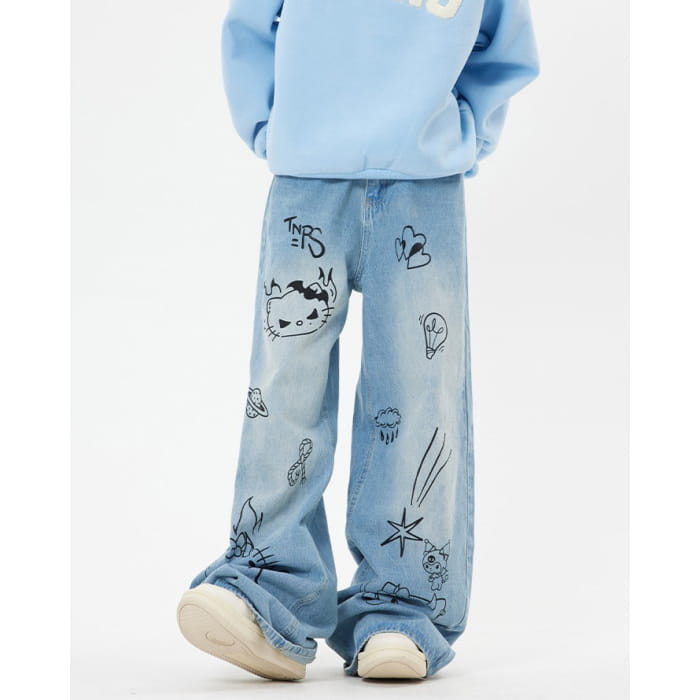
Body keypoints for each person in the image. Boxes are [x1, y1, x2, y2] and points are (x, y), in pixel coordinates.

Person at [177, 0, 538, 681]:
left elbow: (504, 40)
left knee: (418, 396)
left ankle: (400, 606)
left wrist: (464, 133)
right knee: (285, 384)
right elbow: (249, 24)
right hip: (306, 179)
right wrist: (272, 129)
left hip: (423, 186)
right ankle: (266, 589)